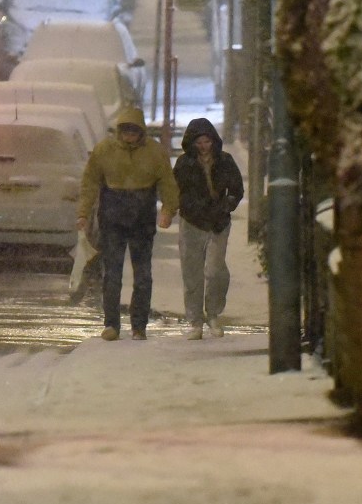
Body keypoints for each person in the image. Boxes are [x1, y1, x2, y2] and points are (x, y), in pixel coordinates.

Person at [76, 106, 179, 341]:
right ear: (119, 132)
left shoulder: (154, 152)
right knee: (112, 273)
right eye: (126, 132)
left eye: (134, 132)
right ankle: (111, 323)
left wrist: (169, 209)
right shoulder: (105, 150)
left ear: (141, 132)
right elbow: (90, 182)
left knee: (142, 274)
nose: (129, 137)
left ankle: (139, 325)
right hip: (113, 218)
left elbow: (167, 182)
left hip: (141, 218)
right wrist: (83, 212)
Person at [173, 117, 244, 340]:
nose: (204, 147)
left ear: (213, 141)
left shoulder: (225, 161)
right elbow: (177, 191)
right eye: (199, 142)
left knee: (215, 271)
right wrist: (191, 208)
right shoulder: (184, 164)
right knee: (192, 272)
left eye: (207, 141)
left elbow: (236, 188)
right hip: (192, 222)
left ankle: (213, 313)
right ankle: (195, 320)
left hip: (218, 222)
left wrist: (226, 206)